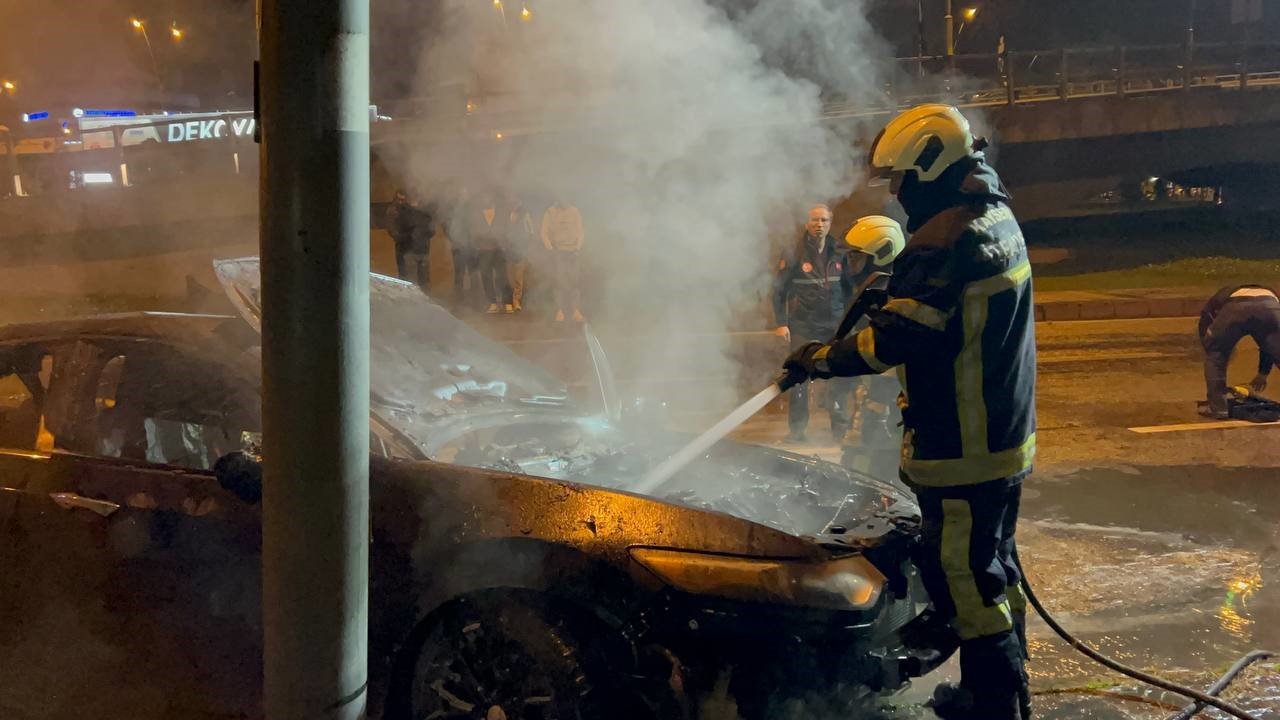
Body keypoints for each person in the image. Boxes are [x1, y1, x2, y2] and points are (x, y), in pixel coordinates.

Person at [782, 104, 1035, 720]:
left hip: (961, 446)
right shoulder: (996, 217)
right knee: (995, 567)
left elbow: (892, 343)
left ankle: (992, 705)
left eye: (903, 180)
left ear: (930, 167)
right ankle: (1006, 684)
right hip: (1004, 434)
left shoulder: (942, 242)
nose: (897, 193)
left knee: (968, 584)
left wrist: (818, 359)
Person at [772, 204, 854, 443]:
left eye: (824, 220)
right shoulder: (793, 252)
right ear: (807, 223)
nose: (820, 225)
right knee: (799, 377)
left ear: (830, 222)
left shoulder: (840, 251)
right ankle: (797, 431)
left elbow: (850, 290)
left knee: (840, 375)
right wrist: (781, 323)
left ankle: (840, 429)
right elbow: (778, 291)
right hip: (803, 325)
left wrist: (851, 321)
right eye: (815, 220)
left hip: (835, 325)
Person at [837, 215, 906, 480]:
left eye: (856, 257)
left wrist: (876, 411)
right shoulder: (877, 295)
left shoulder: (894, 299)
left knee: (870, 473)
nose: (849, 265)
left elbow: (887, 358)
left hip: (889, 416)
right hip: (874, 408)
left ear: (880, 255)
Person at [1197, 284, 1280, 418]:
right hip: (1269, 307)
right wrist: (1263, 373)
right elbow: (1269, 346)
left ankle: (1218, 408)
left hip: (1236, 308)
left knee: (1215, 356)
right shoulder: (1271, 295)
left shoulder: (1219, 298)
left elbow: (1205, 321)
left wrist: (1213, 349)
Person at [541, 199, 585, 322]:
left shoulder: (575, 211)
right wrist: (550, 249)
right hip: (558, 252)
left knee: (574, 282)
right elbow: (544, 232)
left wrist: (577, 248)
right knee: (559, 282)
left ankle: (575, 310)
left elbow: (580, 231)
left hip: (573, 252)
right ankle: (559, 311)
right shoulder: (550, 212)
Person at [468, 192, 512, 314]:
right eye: (484, 198)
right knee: (486, 276)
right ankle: (492, 302)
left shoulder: (501, 213)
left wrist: (504, 243)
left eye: (488, 197)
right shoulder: (476, 215)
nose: (486, 200)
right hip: (484, 250)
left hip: (499, 250)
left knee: (502, 276)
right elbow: (473, 232)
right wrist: (477, 243)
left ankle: (507, 302)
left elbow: (507, 229)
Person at [387, 190, 433, 292]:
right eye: (399, 199)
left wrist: (419, 235)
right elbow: (394, 232)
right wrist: (410, 236)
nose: (401, 202)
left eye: (403, 199)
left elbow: (431, 231)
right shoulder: (400, 212)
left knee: (421, 282)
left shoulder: (421, 213)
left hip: (419, 251)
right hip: (409, 250)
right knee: (410, 280)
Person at [505, 199, 537, 313]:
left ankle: (516, 301)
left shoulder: (525, 215)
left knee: (519, 278)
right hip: (507, 249)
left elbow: (531, 232)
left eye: (517, 201)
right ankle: (509, 301)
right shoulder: (505, 213)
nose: (514, 203)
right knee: (509, 277)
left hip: (520, 249)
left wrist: (526, 247)